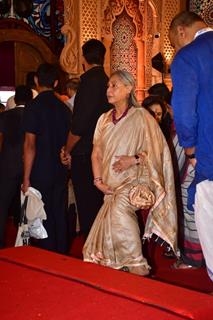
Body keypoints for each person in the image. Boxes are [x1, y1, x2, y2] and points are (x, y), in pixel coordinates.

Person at [83, 70, 178, 276]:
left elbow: (157, 152)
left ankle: (137, 266)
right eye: (108, 86)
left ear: (128, 89)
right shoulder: (104, 119)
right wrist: (98, 180)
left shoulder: (141, 117)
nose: (109, 90)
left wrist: (133, 160)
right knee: (108, 227)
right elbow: (96, 153)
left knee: (119, 212)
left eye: (114, 85)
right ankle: (119, 267)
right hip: (108, 186)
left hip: (133, 183)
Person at [169, 11, 213, 279]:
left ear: (182, 31)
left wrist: (190, 150)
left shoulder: (188, 56)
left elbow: (184, 111)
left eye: (174, 42)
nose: (176, 48)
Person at [62, 39, 111, 239]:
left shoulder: (88, 82)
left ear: (84, 59)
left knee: (88, 206)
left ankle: (93, 249)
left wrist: (67, 149)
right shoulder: (107, 81)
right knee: (101, 204)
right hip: (106, 151)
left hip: (86, 154)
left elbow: (79, 125)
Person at [22, 63, 72, 254]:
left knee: (41, 213)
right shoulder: (64, 108)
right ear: (57, 82)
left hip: (39, 169)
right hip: (60, 168)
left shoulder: (33, 107)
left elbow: (29, 144)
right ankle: (61, 252)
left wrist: (26, 177)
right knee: (59, 210)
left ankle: (47, 254)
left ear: (36, 80)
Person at [0, 85, 33, 248]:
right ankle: (26, 242)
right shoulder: (33, 115)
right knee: (26, 207)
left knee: (2, 206)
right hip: (29, 166)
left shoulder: (5, 116)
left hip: (6, 166)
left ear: (15, 99)